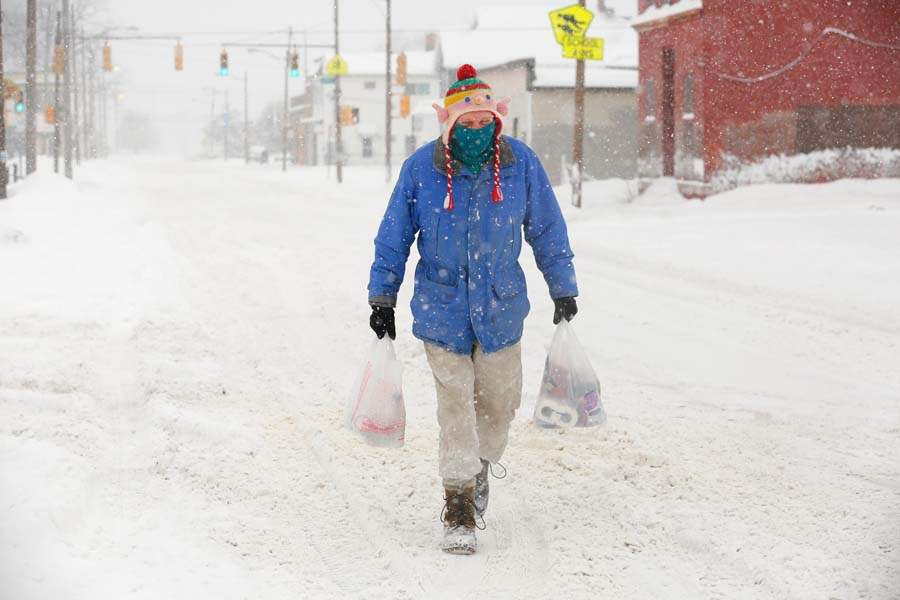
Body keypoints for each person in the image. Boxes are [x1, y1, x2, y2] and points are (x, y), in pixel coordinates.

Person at [366, 64, 579, 555]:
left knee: (500, 407)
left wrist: (562, 286)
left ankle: (480, 465)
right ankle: (458, 501)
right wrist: (383, 295)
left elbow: (546, 229)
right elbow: (394, 235)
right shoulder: (422, 169)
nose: (478, 131)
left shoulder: (521, 164)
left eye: (486, 123)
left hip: (502, 308)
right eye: (468, 124)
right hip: (442, 310)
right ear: (450, 125)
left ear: (497, 121)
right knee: (456, 406)